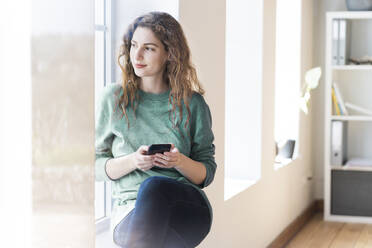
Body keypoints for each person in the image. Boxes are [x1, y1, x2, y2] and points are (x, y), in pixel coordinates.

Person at [95, 11, 217, 248]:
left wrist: (179, 161)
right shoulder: (113, 99)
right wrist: (133, 161)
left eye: (149, 48)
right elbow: (95, 166)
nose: (137, 55)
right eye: (133, 45)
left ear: (169, 53)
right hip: (130, 214)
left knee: (155, 186)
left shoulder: (192, 104)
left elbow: (206, 173)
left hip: (186, 209)